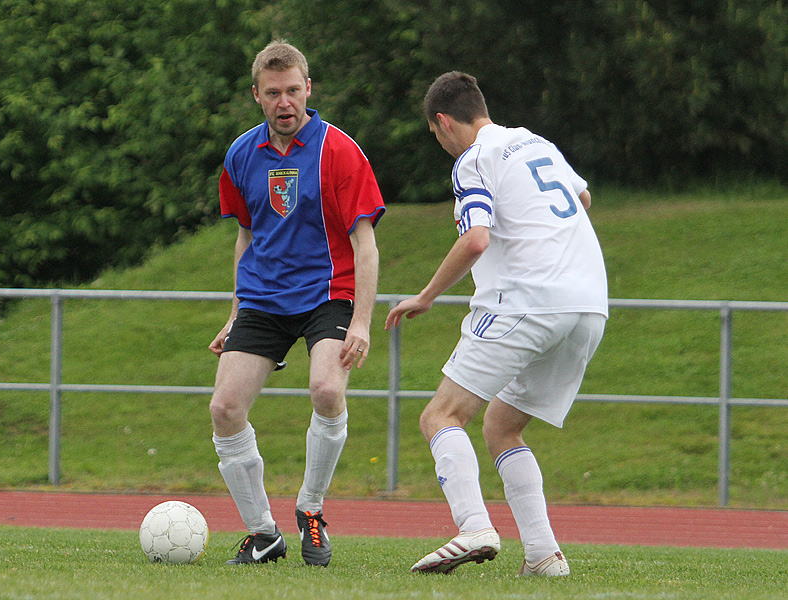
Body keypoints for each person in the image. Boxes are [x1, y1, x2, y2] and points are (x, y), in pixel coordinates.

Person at [385, 71, 607, 577]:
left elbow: (476, 238)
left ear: (443, 122)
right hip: (589, 305)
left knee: (440, 416)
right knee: (503, 427)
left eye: (435, 134)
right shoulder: (534, 142)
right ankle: (545, 556)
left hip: (525, 300)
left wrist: (425, 296)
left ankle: (473, 527)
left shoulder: (473, 159)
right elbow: (583, 201)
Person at [208, 40, 385, 567]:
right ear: (256, 96)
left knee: (328, 390)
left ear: (308, 89)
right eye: (272, 93)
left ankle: (310, 510)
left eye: (293, 91)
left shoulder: (340, 151)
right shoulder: (241, 154)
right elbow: (246, 238)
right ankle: (263, 533)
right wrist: (236, 311)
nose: (284, 102)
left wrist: (361, 323)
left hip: (328, 293)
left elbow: (365, 245)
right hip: (263, 297)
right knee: (224, 408)